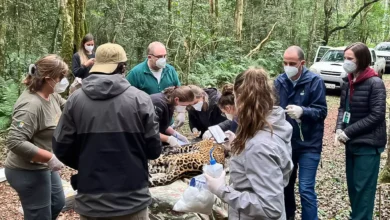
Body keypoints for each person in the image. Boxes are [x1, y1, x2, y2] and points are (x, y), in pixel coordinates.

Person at [53, 43, 162, 220]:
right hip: (133, 201)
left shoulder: (75, 101)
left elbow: (61, 147)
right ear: (123, 67)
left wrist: (88, 162)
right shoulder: (141, 100)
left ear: (96, 65)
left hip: (92, 201)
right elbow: (154, 149)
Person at [204, 68, 294, 219]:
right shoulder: (273, 126)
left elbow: (270, 208)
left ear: (240, 99)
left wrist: (221, 190)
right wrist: (239, 146)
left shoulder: (260, 145)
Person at [4, 55, 69, 220]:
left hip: (44, 166)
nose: (63, 81)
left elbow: (68, 107)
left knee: (57, 202)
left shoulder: (51, 94)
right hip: (26, 170)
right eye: (61, 77)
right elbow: (15, 141)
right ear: (48, 79)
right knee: (40, 216)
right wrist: (50, 157)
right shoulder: (31, 106)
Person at [274, 46, 327, 220]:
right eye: (285, 62)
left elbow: (321, 111)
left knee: (305, 188)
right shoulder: (279, 82)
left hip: (309, 144)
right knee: (285, 186)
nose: (287, 66)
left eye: (292, 63)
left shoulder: (315, 81)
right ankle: (288, 216)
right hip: (286, 144)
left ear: (302, 63)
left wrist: (303, 111)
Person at [335, 42, 386, 220]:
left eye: (350, 59)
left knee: (363, 192)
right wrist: (339, 128)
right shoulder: (347, 81)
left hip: (368, 145)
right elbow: (343, 108)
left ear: (362, 60)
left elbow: (377, 115)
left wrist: (349, 132)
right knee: (354, 190)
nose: (346, 62)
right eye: (345, 58)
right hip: (351, 144)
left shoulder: (375, 83)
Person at [126, 42, 184, 128]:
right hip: (145, 123)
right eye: (160, 57)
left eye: (165, 56)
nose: (163, 59)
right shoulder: (135, 73)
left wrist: (181, 112)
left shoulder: (170, 71)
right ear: (150, 57)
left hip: (167, 122)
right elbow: (127, 99)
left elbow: (179, 92)